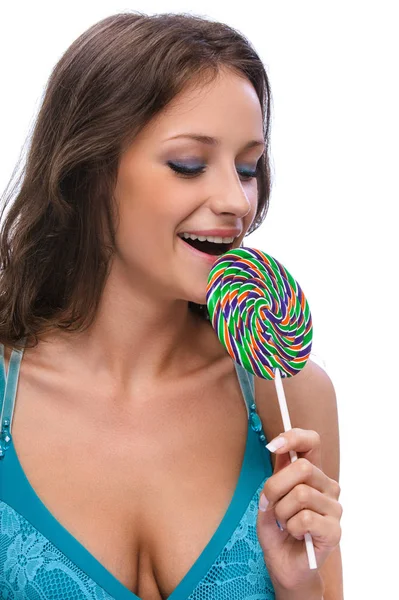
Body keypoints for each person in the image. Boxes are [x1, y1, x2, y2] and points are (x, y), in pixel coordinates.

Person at [0, 11, 343, 600]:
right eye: (189, 164)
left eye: (248, 167)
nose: (236, 201)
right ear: (91, 171)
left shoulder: (288, 396)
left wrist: (300, 583)